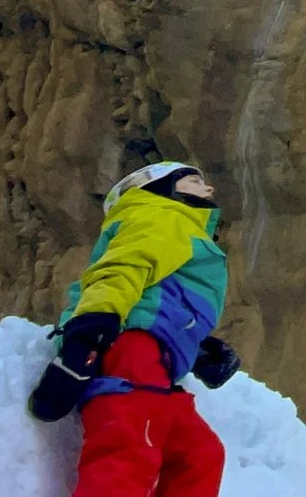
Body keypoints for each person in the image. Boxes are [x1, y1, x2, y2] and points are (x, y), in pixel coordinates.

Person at [28, 161, 244, 497]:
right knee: (129, 445)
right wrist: (90, 329)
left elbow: (160, 299)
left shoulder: (179, 227)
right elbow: (121, 269)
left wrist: (196, 348)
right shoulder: (160, 214)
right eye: (193, 180)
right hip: (133, 350)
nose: (209, 188)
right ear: (158, 187)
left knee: (200, 455)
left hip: (155, 359)